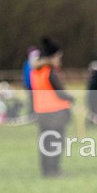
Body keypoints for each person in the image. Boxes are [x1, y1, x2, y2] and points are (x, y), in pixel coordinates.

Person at [31, 37, 74, 177]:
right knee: (55, 144)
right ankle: (54, 170)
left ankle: (46, 170)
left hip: (42, 111)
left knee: (45, 144)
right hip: (55, 112)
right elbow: (60, 92)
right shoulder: (50, 71)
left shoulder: (36, 71)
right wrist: (71, 98)